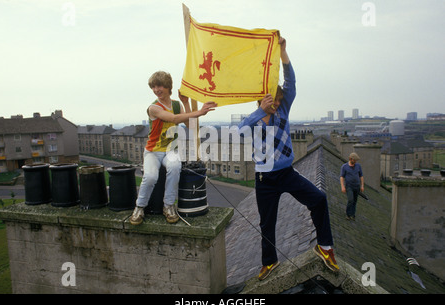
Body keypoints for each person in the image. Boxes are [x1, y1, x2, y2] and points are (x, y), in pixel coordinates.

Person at [238, 37, 339, 280]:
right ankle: (269, 262)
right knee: (267, 223)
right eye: (274, 103)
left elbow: (291, 82)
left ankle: (325, 247)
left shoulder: (283, 110)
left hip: (286, 174)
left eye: (280, 102)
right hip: (264, 179)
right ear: (263, 101)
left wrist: (284, 52)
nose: (278, 106)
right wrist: (260, 112)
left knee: (319, 199)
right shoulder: (253, 118)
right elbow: (239, 131)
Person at [130, 71, 217, 225]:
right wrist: (201, 112)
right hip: (153, 151)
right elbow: (174, 119)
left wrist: (185, 103)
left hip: (170, 150)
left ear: (168, 87)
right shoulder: (153, 108)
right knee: (150, 177)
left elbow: (191, 125)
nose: (157, 90)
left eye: (160, 86)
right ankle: (139, 207)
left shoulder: (176, 105)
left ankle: (168, 205)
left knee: (175, 167)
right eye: (154, 87)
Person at [340, 152, 364, 220]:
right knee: (350, 200)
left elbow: (361, 176)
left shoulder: (358, 166)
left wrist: (362, 186)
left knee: (355, 201)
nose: (355, 161)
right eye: (354, 160)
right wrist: (342, 186)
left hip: (357, 186)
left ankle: (353, 215)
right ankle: (348, 214)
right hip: (349, 186)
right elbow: (342, 177)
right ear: (350, 159)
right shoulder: (344, 167)